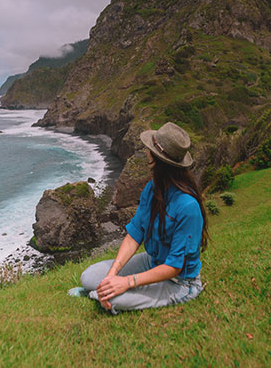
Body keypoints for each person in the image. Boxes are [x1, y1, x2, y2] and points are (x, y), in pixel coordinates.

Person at [72, 122, 208, 314]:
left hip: (178, 282)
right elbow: (134, 236)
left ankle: (102, 294)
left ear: (157, 159)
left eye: (150, 149)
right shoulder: (152, 189)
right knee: (89, 277)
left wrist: (126, 282)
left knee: (113, 296)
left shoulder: (188, 207)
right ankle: (102, 291)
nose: (146, 152)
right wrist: (112, 275)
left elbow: (174, 267)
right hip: (152, 261)